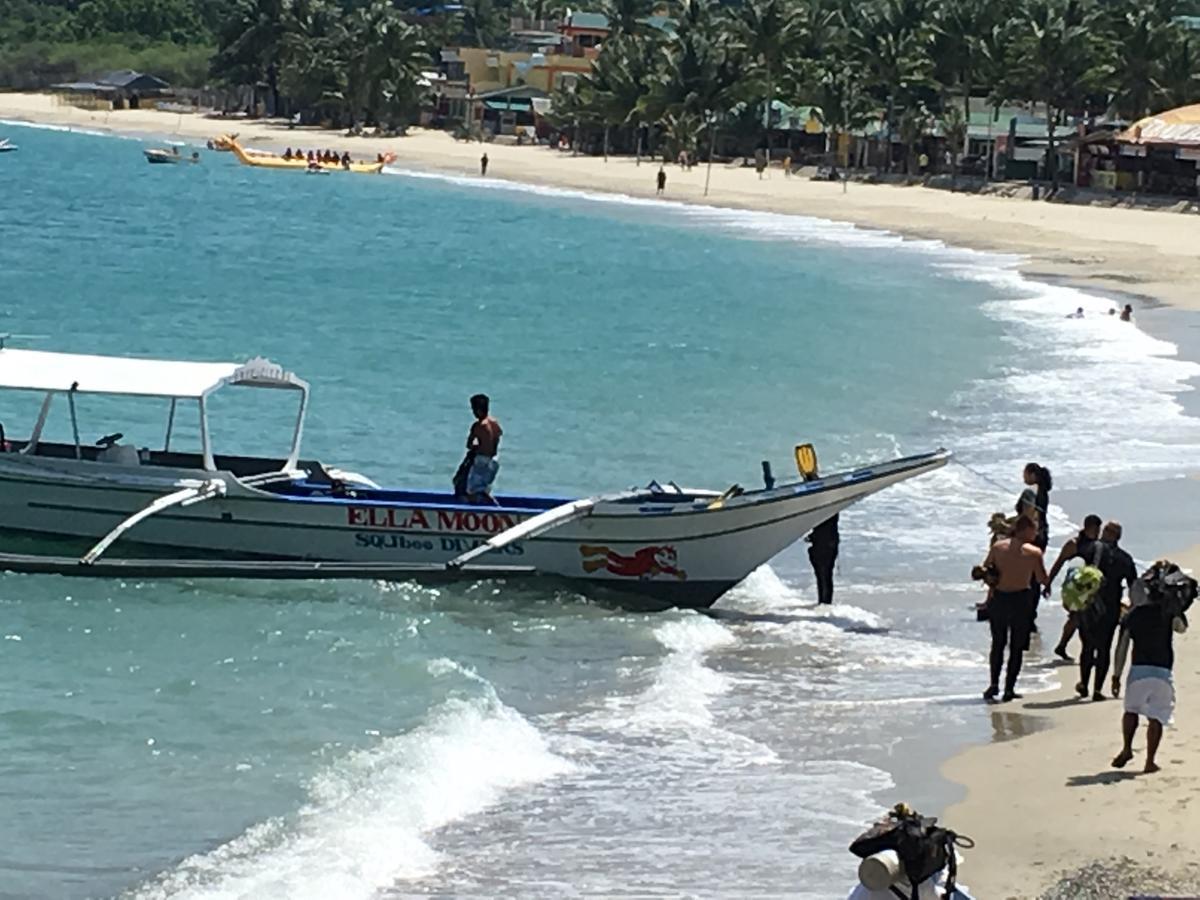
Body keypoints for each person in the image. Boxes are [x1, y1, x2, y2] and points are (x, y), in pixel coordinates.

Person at [1110, 572, 1187, 773]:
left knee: (1131, 711)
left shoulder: (1132, 616)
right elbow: (1181, 628)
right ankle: (1150, 761)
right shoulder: (1167, 613)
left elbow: (1122, 648)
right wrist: (1177, 607)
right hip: (1162, 671)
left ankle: (1127, 748)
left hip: (1139, 670)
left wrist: (1116, 675)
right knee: (1157, 717)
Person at [979, 514, 1048, 702]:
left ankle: (993, 685)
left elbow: (985, 570)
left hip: (999, 598)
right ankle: (1009, 688)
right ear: (1024, 530)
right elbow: (1042, 578)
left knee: (998, 644)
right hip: (1021, 600)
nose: (1036, 533)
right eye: (1034, 529)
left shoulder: (998, 547)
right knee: (1016, 647)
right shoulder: (1033, 552)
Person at [1076, 521, 1138, 700]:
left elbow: (1078, 566)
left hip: (1089, 603)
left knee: (1087, 646)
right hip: (1110, 607)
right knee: (1104, 647)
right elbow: (1133, 585)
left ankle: (1084, 684)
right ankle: (1097, 690)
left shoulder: (1092, 549)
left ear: (1110, 533)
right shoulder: (1125, 558)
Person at [1044, 514, 1103, 660]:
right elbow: (1058, 563)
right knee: (1079, 618)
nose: (1098, 533)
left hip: (1091, 587)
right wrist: (1048, 584)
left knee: (1079, 619)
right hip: (1074, 589)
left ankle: (1063, 646)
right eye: (1096, 529)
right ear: (1089, 527)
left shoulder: (1098, 545)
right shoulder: (1074, 544)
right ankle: (1083, 652)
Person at [463, 393, 502, 504]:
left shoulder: (478, 426)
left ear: (478, 410)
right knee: (484, 490)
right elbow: (497, 437)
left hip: (482, 460)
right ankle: (495, 507)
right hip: (494, 460)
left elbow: (469, 444)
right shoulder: (495, 423)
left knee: (471, 490)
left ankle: (474, 512)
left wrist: (476, 447)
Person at [807, 514, 839, 605]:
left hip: (824, 544)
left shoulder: (824, 510)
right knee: (826, 576)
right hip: (830, 542)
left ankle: (824, 603)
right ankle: (824, 603)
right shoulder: (831, 509)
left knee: (823, 576)